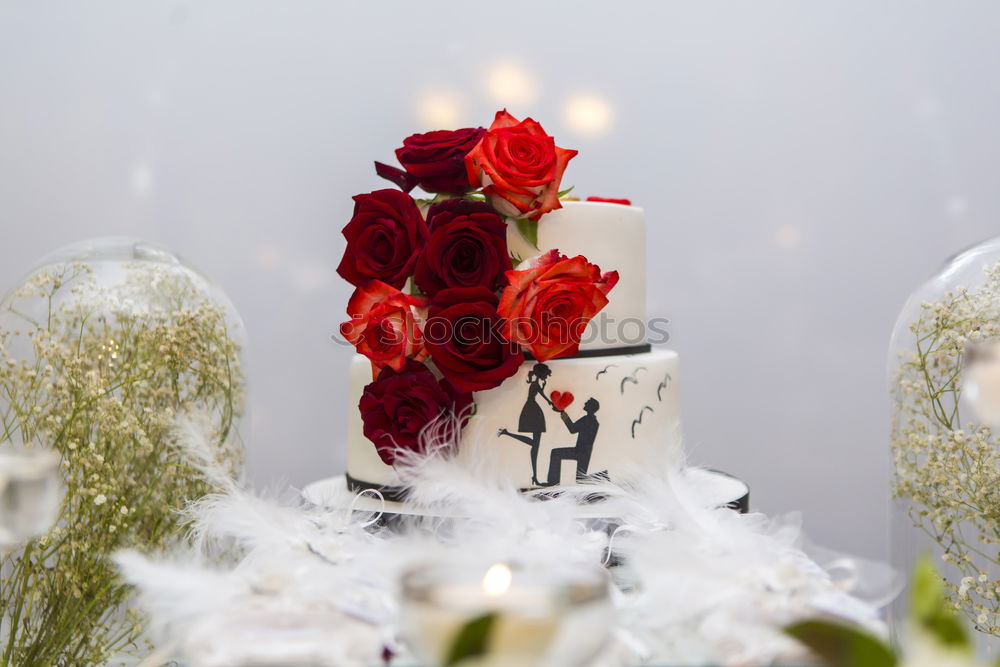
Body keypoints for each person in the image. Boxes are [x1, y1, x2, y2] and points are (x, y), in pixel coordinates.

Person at [497, 363, 553, 486]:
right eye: (545, 375)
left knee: (535, 445)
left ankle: (535, 476)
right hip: (532, 410)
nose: (546, 377)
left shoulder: (535, 383)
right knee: (535, 445)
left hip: (531, 408)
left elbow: (539, 393)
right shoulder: (535, 384)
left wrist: (544, 391)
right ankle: (535, 477)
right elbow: (542, 396)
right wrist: (550, 402)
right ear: (541, 374)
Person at [545, 398, 600, 486]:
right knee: (580, 480)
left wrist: (562, 412)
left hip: (579, 452)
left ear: (590, 407)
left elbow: (572, 429)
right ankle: (553, 483)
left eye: (587, 402)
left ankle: (553, 483)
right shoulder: (594, 422)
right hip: (584, 453)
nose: (585, 402)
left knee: (556, 453)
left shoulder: (587, 420)